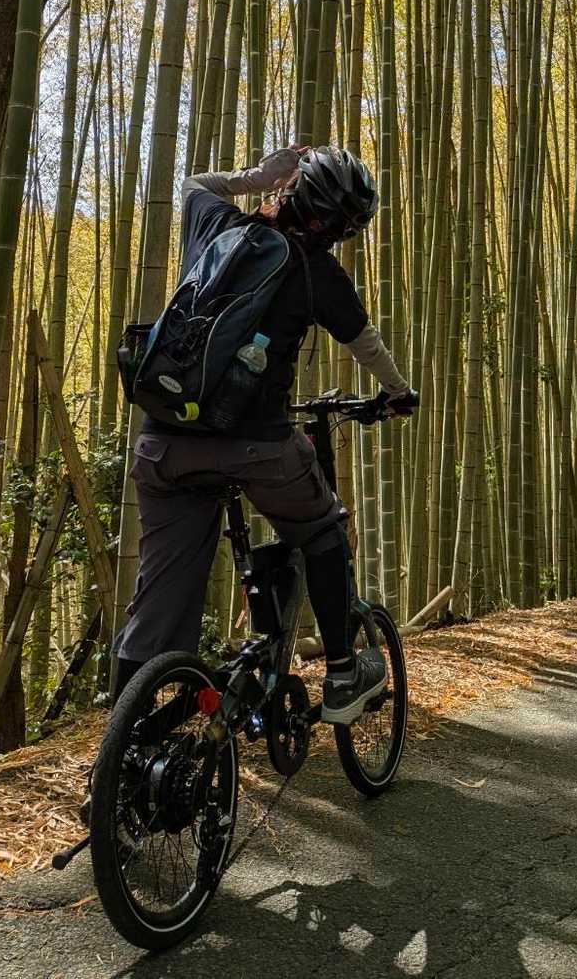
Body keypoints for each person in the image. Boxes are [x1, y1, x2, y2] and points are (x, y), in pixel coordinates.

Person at [114, 144, 418, 723]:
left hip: (163, 444)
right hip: (257, 446)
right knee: (323, 530)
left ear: (292, 189)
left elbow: (195, 183)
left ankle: (123, 742)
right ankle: (342, 673)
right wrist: (399, 393)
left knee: (158, 601)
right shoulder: (316, 270)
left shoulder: (220, 227)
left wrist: (257, 175)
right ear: (340, 229)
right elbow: (367, 345)